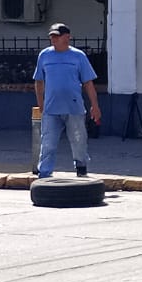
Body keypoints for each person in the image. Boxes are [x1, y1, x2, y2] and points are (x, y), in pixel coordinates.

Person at [33, 23, 101, 179]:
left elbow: (88, 83)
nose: (54, 39)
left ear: (67, 37)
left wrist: (95, 106)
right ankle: (44, 173)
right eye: (52, 36)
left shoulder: (78, 56)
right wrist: (41, 104)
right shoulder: (45, 55)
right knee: (48, 143)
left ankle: (81, 168)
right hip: (51, 109)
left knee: (79, 140)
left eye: (57, 36)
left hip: (74, 108)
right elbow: (38, 81)